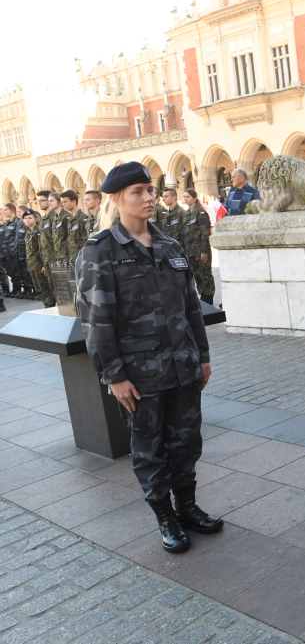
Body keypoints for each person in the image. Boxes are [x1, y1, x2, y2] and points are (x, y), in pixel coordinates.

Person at [76, 161, 222, 554]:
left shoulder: (170, 246)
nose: (148, 198)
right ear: (117, 199)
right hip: (140, 377)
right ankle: (165, 516)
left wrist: (202, 356)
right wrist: (114, 376)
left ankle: (187, 507)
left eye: (150, 190)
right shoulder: (101, 252)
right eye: (137, 192)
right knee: (149, 449)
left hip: (184, 366)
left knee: (186, 442)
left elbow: (192, 307)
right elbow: (96, 321)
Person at [182, 188, 215, 305]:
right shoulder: (187, 214)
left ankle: (208, 301)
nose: (185, 199)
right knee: (197, 276)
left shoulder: (200, 212)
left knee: (205, 276)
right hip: (191, 251)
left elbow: (205, 233)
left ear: (194, 198)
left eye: (188, 197)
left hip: (200, 250)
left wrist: (204, 251)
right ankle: (202, 300)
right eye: (184, 197)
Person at [23, 211, 49, 306]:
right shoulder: (28, 232)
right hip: (32, 265)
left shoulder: (38, 231)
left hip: (39, 264)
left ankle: (49, 304)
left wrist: (44, 265)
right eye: (25, 219)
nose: (27, 220)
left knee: (44, 287)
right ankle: (46, 304)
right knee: (38, 288)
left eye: (30, 218)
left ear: (36, 219)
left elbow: (42, 249)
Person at [60, 191, 92, 264]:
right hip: (73, 257)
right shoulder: (70, 218)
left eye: (65, 202)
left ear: (73, 201)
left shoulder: (83, 218)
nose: (63, 204)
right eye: (62, 202)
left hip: (82, 257)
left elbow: (85, 239)